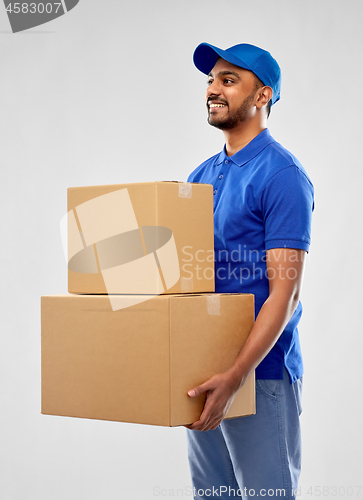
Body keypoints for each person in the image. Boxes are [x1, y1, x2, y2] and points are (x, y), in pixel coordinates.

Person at [185, 43, 314, 499]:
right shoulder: (200, 176)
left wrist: (237, 376)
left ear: (263, 96)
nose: (212, 90)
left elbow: (286, 293)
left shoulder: (281, 176)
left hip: (260, 376)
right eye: (210, 80)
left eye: (228, 80)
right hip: (202, 374)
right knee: (213, 496)